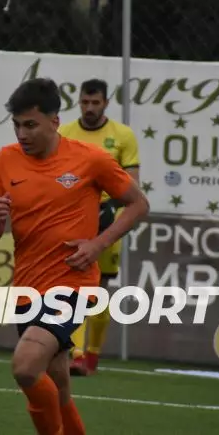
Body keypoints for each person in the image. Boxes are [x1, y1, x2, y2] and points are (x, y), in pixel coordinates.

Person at [0, 78, 149, 435]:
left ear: (54, 121)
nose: (22, 134)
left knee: (26, 367)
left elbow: (138, 204)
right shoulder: (5, 160)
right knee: (57, 380)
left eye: (30, 125)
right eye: (16, 125)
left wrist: (98, 244)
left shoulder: (91, 159)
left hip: (72, 284)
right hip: (27, 286)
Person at [58, 78, 141, 376]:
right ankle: (77, 354)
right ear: (78, 102)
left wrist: (110, 209)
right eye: (85, 102)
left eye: (95, 103)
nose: (89, 108)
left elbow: (133, 185)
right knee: (74, 286)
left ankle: (92, 354)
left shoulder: (122, 136)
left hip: (107, 220)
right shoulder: (65, 133)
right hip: (74, 219)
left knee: (99, 290)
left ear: (106, 103)